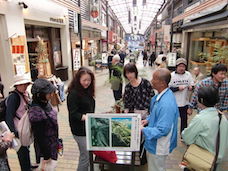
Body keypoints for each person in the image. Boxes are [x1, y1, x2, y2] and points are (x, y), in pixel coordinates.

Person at [182, 86, 228, 171]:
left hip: (200, 160)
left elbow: (187, 138)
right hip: (215, 161)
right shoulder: (222, 117)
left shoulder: (200, 118)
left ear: (201, 100)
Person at [141, 68, 179, 171]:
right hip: (156, 143)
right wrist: (148, 120)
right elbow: (156, 114)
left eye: (154, 79)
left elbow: (163, 130)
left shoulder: (166, 103)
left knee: (156, 168)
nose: (151, 80)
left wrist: (142, 129)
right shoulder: (162, 96)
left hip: (159, 146)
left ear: (162, 83)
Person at [67, 67, 95, 171]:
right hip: (79, 130)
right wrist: (86, 117)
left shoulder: (87, 90)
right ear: (78, 79)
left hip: (87, 127)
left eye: (89, 80)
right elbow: (73, 113)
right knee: (85, 156)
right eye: (84, 80)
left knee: (86, 155)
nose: (87, 82)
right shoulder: (73, 94)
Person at [28, 78, 58, 171]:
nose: (51, 95)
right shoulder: (36, 111)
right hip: (45, 151)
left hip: (52, 145)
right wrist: (46, 156)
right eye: (48, 93)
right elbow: (40, 136)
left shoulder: (45, 103)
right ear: (39, 94)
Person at [5, 73, 33, 171]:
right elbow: (9, 116)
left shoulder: (25, 94)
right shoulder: (14, 97)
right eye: (21, 84)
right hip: (18, 131)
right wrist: (13, 132)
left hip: (24, 130)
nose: (24, 86)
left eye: (26, 84)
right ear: (16, 85)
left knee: (26, 150)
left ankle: (28, 166)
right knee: (22, 154)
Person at [169, 58, 194, 136]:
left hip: (184, 102)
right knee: (172, 120)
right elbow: (167, 88)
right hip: (174, 103)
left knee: (184, 120)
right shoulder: (172, 75)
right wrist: (177, 88)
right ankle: (171, 134)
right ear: (176, 66)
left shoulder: (188, 75)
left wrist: (191, 87)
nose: (181, 68)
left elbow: (192, 85)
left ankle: (183, 135)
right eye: (180, 66)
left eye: (183, 66)